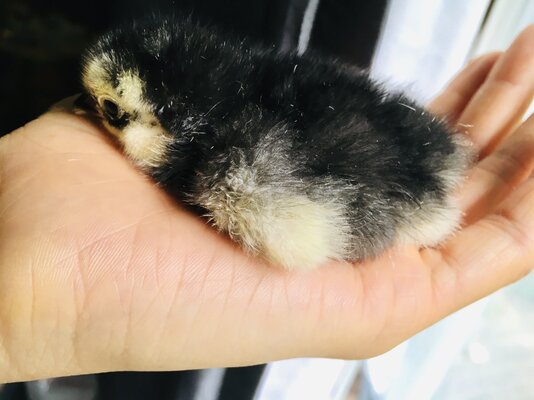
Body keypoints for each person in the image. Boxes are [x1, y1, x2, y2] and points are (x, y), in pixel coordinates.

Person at [0, 25, 532, 384]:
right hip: (415, 167)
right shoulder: (261, 99)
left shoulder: (234, 166)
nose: (95, 118)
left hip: (396, 181)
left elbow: (297, 238)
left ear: (163, 121)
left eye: (112, 111)